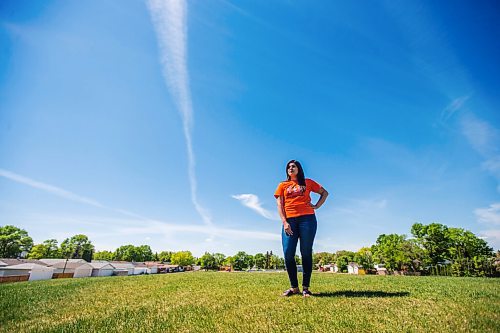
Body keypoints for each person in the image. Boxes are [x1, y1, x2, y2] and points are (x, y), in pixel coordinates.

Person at [274, 160, 329, 297]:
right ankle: (294, 288)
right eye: (288, 167)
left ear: (299, 169)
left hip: (307, 219)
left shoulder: (308, 182)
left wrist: (316, 206)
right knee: (288, 254)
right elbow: (279, 205)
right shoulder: (282, 185)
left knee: (306, 252)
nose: (291, 168)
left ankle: (305, 288)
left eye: (294, 166)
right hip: (290, 221)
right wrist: (285, 222)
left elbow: (325, 193)